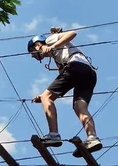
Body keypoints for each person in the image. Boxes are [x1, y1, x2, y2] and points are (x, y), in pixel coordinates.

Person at [28, 28, 102, 156]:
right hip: (88, 73)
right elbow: (62, 79)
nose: (36, 56)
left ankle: (53, 135)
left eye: (34, 52)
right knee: (79, 107)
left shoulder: (49, 40)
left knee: (47, 97)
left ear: (38, 44)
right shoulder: (58, 58)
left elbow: (72, 34)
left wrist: (53, 44)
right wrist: (44, 96)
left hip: (75, 66)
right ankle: (92, 138)